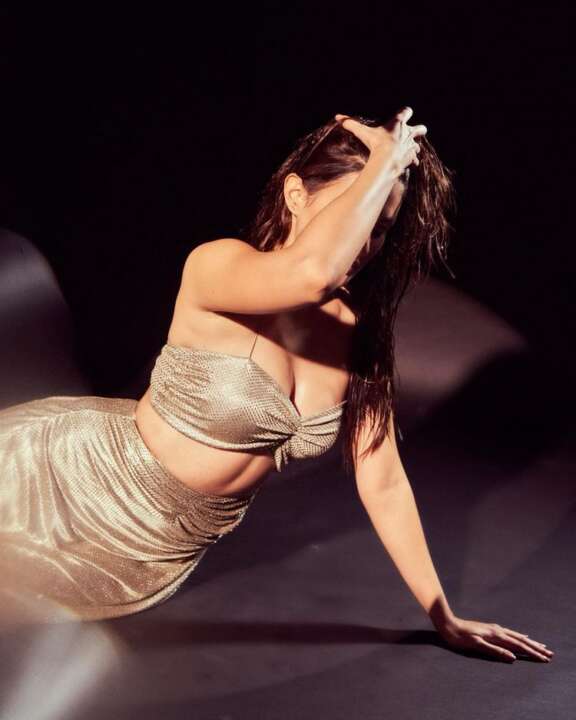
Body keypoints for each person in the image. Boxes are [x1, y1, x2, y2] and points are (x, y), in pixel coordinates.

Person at [0, 107, 553, 665]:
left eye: (380, 228)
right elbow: (312, 274)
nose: (364, 241)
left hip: (149, 555)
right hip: (60, 488)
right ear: (295, 194)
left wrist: (442, 614)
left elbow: (382, 479)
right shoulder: (217, 265)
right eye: (355, 209)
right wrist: (384, 163)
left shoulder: (354, 335)